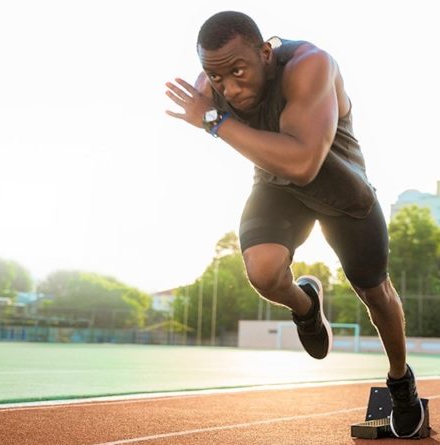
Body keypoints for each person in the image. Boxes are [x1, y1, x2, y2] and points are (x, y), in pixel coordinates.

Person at [164, 11, 425, 438]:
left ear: (266, 52)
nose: (228, 87)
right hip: (276, 185)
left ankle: (401, 381)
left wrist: (214, 121)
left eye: (238, 71)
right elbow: (228, 118)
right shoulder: (211, 83)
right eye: (217, 78)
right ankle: (306, 306)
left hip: (340, 189)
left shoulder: (311, 66)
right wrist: (213, 112)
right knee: (262, 272)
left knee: (375, 293)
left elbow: (304, 163)